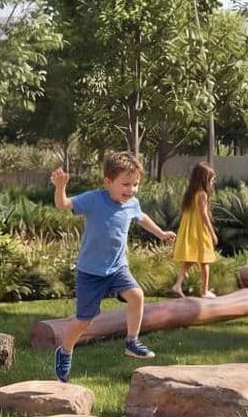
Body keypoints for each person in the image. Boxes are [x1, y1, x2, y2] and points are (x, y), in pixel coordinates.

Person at [50, 152, 176, 383]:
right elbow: (63, 205)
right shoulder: (94, 199)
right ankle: (65, 351)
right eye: (126, 184)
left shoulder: (132, 204)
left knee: (137, 295)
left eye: (135, 184)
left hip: (117, 268)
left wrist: (161, 233)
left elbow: (141, 217)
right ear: (108, 182)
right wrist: (60, 187)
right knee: (84, 321)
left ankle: (131, 342)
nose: (131, 190)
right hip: (90, 273)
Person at [171, 162, 219, 298]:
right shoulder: (202, 194)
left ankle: (177, 284)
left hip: (190, 231)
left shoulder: (190, 194)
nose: (213, 182)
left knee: (190, 260)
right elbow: (203, 215)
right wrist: (212, 233)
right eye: (211, 179)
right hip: (199, 231)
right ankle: (204, 291)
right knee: (205, 261)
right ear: (204, 180)